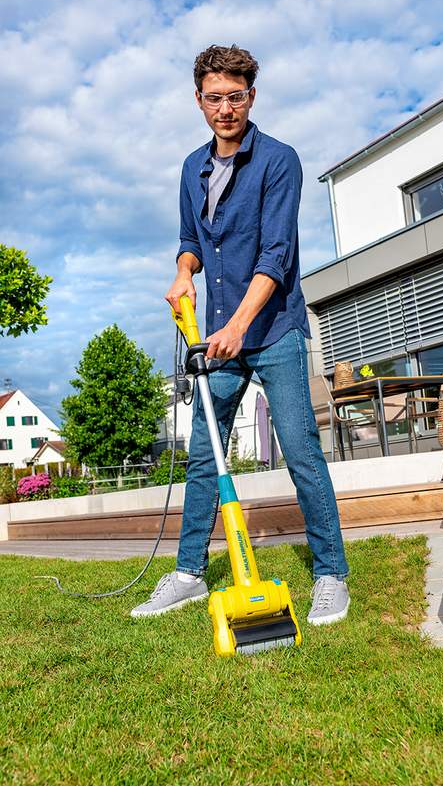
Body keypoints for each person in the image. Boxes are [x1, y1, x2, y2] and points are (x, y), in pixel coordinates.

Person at [131, 45, 349, 625]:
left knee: (302, 451)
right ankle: (188, 576)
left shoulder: (279, 160)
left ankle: (330, 574)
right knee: (204, 456)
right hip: (218, 338)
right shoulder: (190, 167)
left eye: (235, 96)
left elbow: (277, 255)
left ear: (251, 96)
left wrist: (235, 327)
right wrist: (182, 273)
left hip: (272, 328)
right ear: (198, 100)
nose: (224, 109)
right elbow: (192, 241)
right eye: (213, 98)